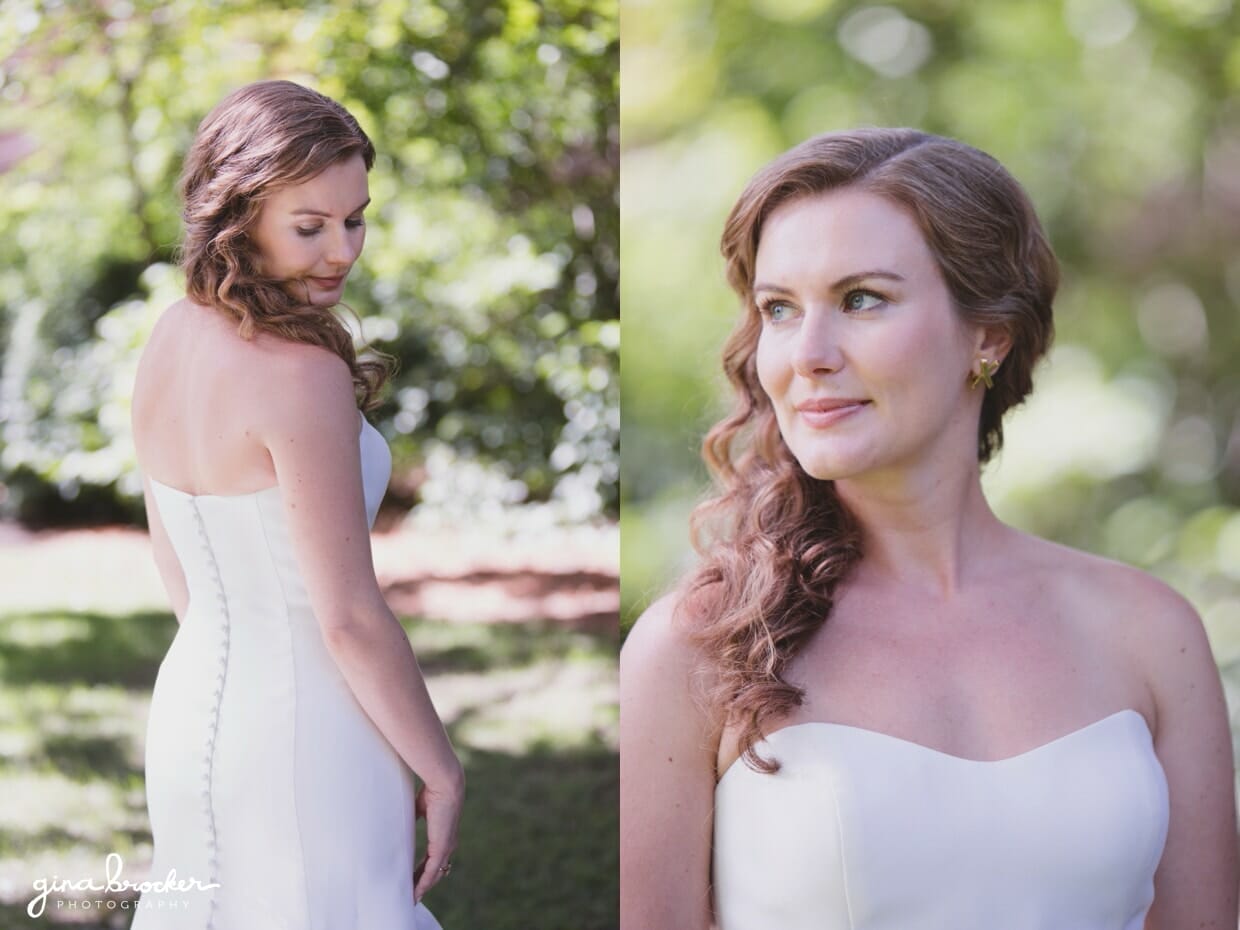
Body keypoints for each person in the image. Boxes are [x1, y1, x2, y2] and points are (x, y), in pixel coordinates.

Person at [620, 128, 1238, 929]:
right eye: (779, 309)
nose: (807, 353)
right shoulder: (698, 648)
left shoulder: (1151, 634)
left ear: (988, 335)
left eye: (861, 299)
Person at [129, 79, 463, 929]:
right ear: (236, 216)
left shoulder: (171, 335)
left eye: (354, 218)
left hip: (190, 712)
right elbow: (347, 616)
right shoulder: (302, 376)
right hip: (312, 735)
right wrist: (441, 767)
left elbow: (174, 555)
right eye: (308, 226)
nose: (342, 250)